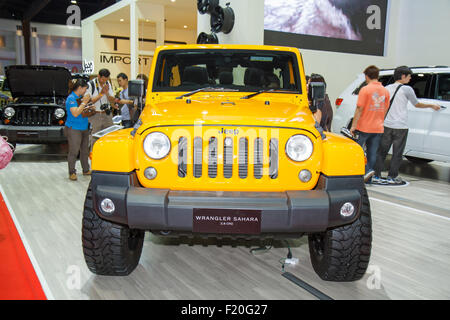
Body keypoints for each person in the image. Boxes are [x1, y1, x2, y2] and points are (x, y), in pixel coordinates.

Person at [373, 66, 441, 184]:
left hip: (387, 125)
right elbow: (416, 104)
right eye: (409, 76)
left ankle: (376, 175)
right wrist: (432, 106)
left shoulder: (387, 88)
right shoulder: (407, 89)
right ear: (403, 76)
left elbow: (380, 105)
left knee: (382, 152)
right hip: (400, 126)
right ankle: (392, 177)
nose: (410, 79)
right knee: (397, 153)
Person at [350, 65, 390, 183]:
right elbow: (385, 109)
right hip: (378, 127)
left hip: (363, 126)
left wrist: (353, 125)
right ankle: (369, 178)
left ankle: (366, 171)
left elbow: (359, 108)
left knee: (357, 151)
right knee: (372, 153)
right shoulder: (385, 91)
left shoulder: (365, 89)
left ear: (367, 76)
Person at [85, 69, 119, 150]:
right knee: (95, 137)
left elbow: (111, 99)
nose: (104, 82)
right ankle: (94, 155)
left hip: (107, 114)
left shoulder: (108, 84)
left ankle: (108, 154)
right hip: (95, 115)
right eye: (102, 79)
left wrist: (107, 93)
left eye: (106, 80)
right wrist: (101, 94)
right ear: (98, 76)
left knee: (110, 135)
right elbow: (88, 101)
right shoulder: (90, 85)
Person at [65, 79, 91, 181]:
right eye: (84, 89)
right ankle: (72, 172)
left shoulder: (80, 98)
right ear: (80, 88)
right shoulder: (71, 98)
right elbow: (75, 113)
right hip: (73, 129)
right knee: (74, 151)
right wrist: (84, 103)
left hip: (84, 127)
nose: (85, 91)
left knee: (85, 151)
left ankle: (86, 169)